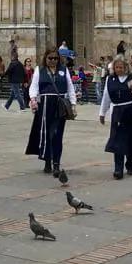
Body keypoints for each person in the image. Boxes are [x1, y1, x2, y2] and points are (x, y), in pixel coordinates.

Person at [25, 45, 77, 174]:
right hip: (45, 105)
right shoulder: (39, 70)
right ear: (45, 58)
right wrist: (33, 99)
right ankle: (48, 161)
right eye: (50, 58)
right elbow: (34, 87)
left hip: (60, 105)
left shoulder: (63, 70)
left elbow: (70, 88)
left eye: (55, 58)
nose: (53, 60)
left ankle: (56, 163)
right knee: (47, 134)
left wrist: (73, 105)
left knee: (57, 135)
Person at [99, 54, 132, 179]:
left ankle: (130, 166)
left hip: (130, 112)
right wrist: (102, 113)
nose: (118, 69)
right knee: (117, 142)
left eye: (121, 67)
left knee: (130, 141)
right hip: (117, 113)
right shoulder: (110, 79)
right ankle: (118, 169)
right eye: (116, 67)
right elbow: (106, 97)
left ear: (125, 67)